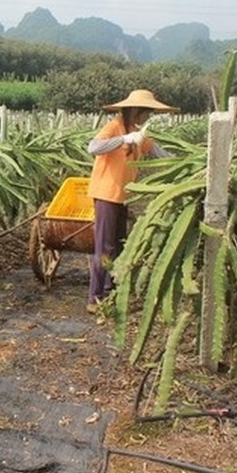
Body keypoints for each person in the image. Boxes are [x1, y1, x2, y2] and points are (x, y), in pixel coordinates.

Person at [85, 89, 178, 313]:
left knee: (118, 243)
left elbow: (157, 151)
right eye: (147, 112)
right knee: (105, 247)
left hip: (122, 196)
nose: (149, 117)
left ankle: (109, 288)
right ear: (136, 111)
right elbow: (93, 147)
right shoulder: (114, 127)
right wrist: (123, 139)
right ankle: (94, 297)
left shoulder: (138, 133)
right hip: (106, 194)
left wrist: (180, 163)